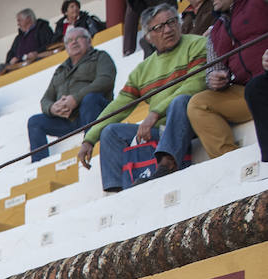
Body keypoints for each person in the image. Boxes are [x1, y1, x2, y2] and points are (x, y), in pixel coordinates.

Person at [78, 4, 208, 189]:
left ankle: (167, 164)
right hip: (161, 131)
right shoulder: (143, 69)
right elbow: (119, 106)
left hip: (191, 121)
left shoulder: (196, 44)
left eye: (171, 22)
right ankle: (118, 191)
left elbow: (195, 84)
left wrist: (154, 113)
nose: (168, 30)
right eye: (159, 27)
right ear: (148, 36)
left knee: (180, 102)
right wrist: (89, 138)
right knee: (111, 132)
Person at [187, 0, 268, 159]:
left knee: (255, 88)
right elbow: (213, 69)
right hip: (245, 93)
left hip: (264, 81)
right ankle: (230, 160)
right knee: (197, 104)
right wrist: (214, 80)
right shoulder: (214, 32)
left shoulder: (259, 3)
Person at [27, 27, 118, 161]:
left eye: (78, 38)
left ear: (89, 41)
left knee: (90, 99)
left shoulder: (100, 57)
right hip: (68, 119)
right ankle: (38, 164)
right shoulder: (61, 69)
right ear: (66, 47)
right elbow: (46, 99)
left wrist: (76, 99)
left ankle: (92, 143)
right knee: (34, 121)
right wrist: (53, 108)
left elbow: (106, 80)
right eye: (69, 41)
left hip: (95, 112)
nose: (74, 42)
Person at [4, 8, 58, 72]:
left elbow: (50, 44)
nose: (18, 24)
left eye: (19, 20)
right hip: (18, 67)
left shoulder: (42, 29)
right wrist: (11, 60)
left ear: (28, 19)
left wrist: (37, 52)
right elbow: (11, 53)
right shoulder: (18, 38)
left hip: (36, 62)